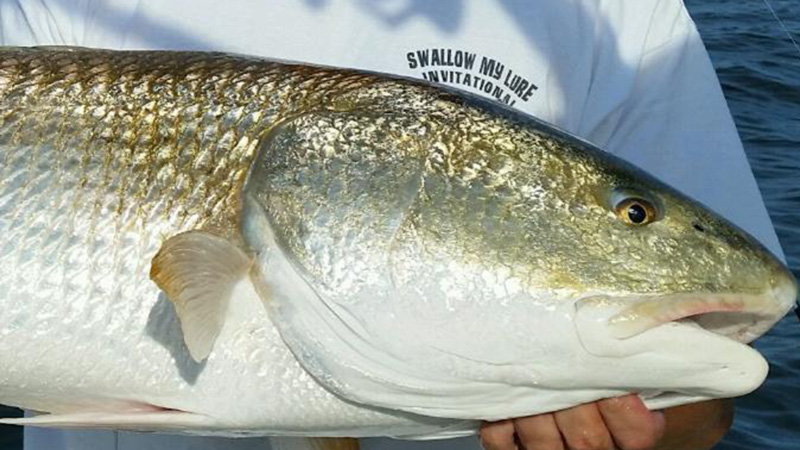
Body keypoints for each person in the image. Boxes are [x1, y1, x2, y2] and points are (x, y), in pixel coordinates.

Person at [0, 1, 784, 449]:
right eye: (631, 216)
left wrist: (636, 429)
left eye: (630, 216)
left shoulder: (611, 13)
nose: (632, 223)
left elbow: (708, 389)